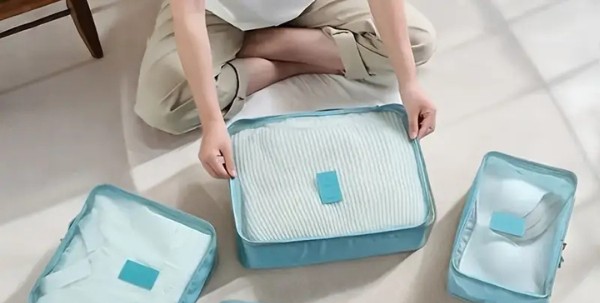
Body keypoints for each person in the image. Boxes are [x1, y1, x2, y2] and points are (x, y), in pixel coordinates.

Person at [135, 0, 437, 179]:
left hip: (308, 4)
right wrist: (213, 121)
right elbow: (189, 14)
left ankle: (266, 43)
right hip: (218, 12)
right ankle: (289, 59)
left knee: (418, 42)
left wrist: (409, 82)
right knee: (163, 106)